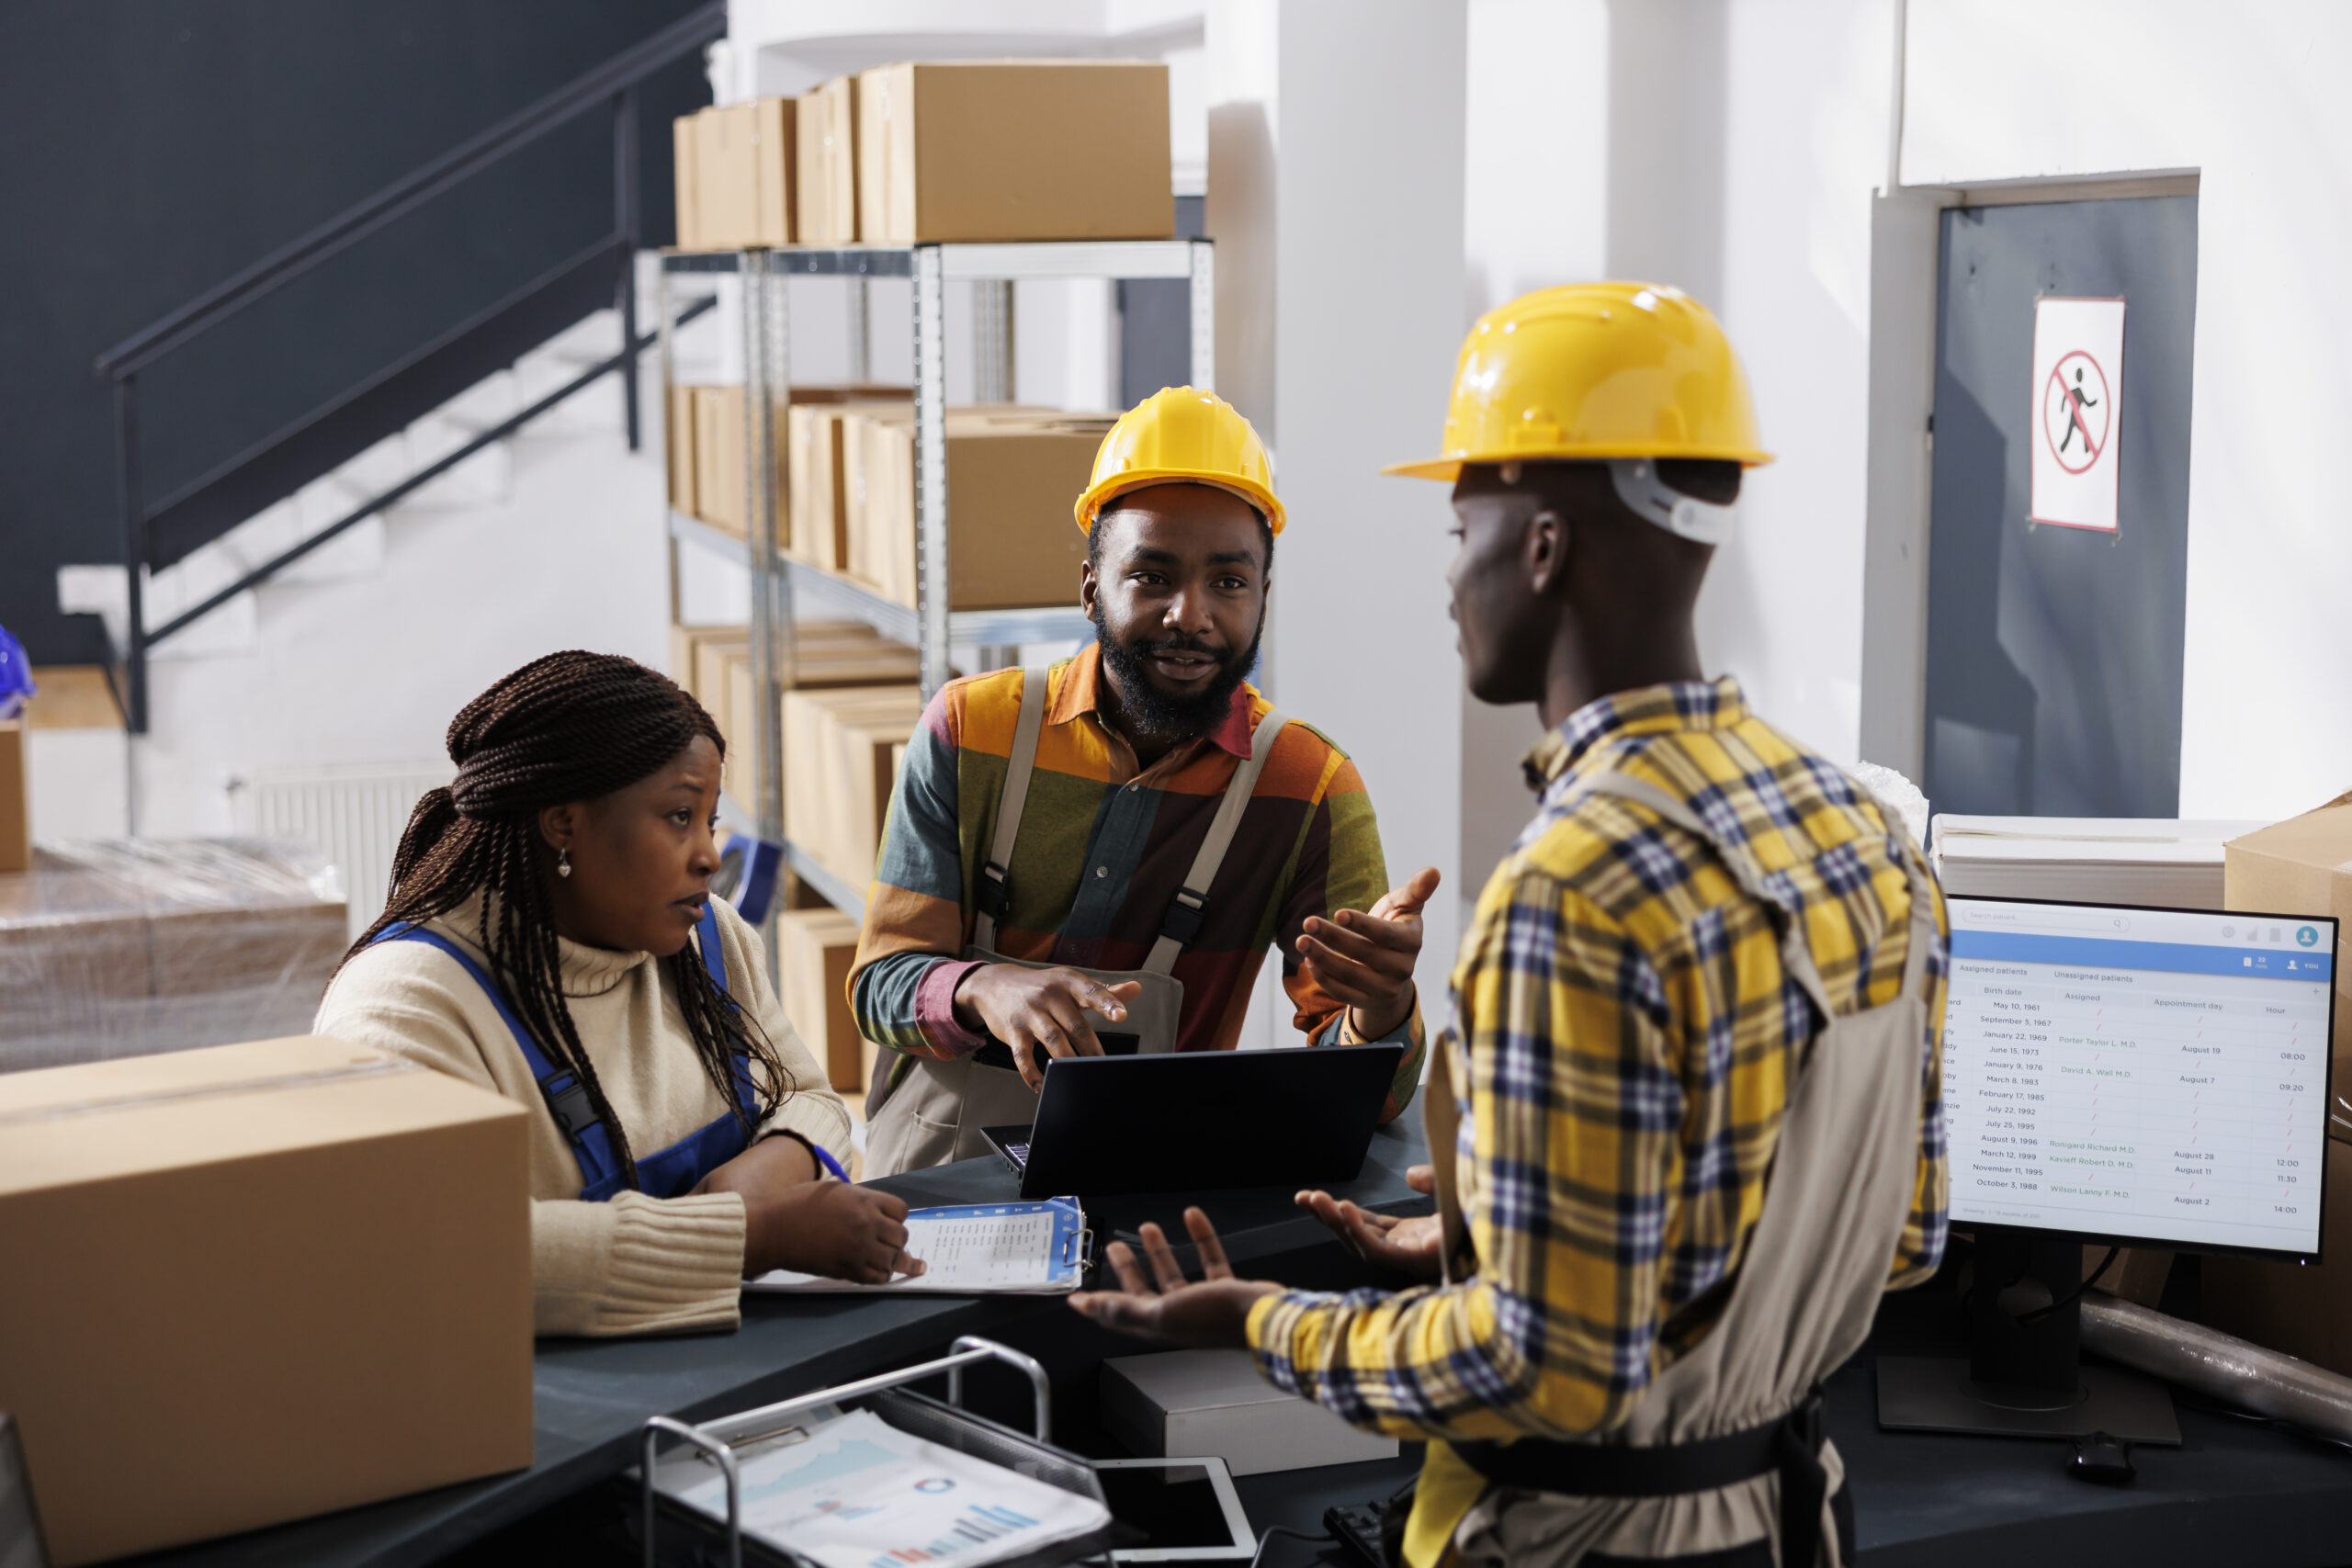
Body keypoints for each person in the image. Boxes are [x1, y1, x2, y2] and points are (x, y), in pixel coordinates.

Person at [1068, 284, 1949, 1568]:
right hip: (1790, 1513)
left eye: (1458, 519)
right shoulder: (1864, 827)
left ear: (1540, 542)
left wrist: (1262, 1317)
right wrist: (1503, 1234)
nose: (1448, 568)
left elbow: (1535, 1365)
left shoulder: (1573, 891)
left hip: (1586, 1535)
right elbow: (1905, 1234)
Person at [851, 386, 1437, 1177]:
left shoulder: (1308, 787)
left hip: (1151, 1185)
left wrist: (1383, 1004)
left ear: (1263, 595)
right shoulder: (968, 732)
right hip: (941, 1180)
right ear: (1092, 587)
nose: (1189, 615)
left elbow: (1369, 1092)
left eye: (1228, 582)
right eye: (1152, 576)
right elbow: (878, 985)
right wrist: (982, 986)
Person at [316, 651, 918, 1337]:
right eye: (678, 815)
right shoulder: (406, 1005)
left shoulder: (707, 940)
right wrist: (749, 1236)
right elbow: (443, 1250)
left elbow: (810, 1097)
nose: (709, 856)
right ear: (563, 823)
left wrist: (748, 1182)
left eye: (710, 821)